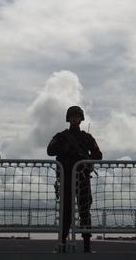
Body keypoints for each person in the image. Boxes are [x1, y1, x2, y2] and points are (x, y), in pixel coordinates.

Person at [47, 106, 102, 253]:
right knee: (65, 212)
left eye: (77, 116)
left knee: (85, 211)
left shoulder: (87, 137)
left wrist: (86, 161)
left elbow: (98, 155)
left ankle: (87, 245)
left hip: (83, 177)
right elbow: (50, 150)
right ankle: (62, 243)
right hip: (65, 177)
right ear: (68, 118)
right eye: (72, 116)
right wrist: (64, 148)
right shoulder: (61, 136)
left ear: (81, 118)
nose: (74, 119)